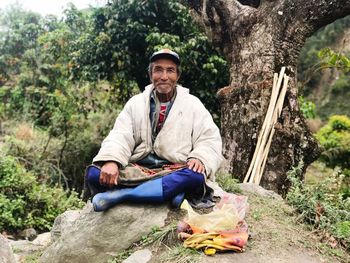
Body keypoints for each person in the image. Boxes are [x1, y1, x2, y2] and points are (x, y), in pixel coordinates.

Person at [85, 48, 223, 211]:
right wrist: (111, 160)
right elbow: (120, 134)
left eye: (170, 71)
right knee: (94, 174)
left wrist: (199, 158)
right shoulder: (135, 103)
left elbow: (209, 138)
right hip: (139, 169)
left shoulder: (193, 104)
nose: (164, 76)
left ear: (177, 76)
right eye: (158, 70)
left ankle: (124, 195)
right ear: (151, 75)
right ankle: (168, 193)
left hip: (173, 170)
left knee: (194, 176)